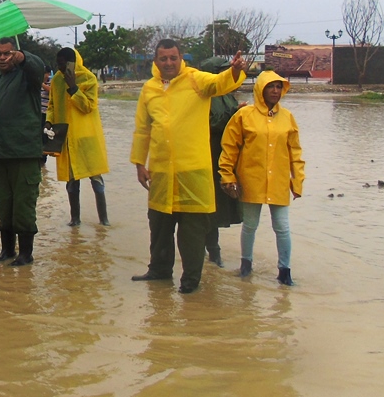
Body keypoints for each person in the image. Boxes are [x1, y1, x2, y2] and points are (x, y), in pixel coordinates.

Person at [130, 40, 246, 293]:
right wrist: (140, 163)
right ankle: (159, 271)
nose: (169, 63)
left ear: (181, 58)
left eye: (173, 58)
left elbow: (221, 83)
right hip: (160, 170)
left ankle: (190, 282)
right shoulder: (149, 89)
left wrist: (235, 70)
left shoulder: (196, 80)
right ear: (156, 60)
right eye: (163, 58)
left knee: (192, 231)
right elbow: (142, 129)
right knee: (159, 224)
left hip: (193, 171)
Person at [218, 71, 305, 286]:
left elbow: (295, 152)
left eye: (278, 87)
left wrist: (298, 181)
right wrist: (227, 175)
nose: (275, 91)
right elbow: (229, 147)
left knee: (282, 227)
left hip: (278, 181)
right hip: (251, 179)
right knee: (250, 225)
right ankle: (246, 266)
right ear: (261, 89)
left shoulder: (288, 118)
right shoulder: (244, 116)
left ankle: (284, 271)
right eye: (270, 87)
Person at [0, 37, 45, 266]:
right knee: (3, 204)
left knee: (23, 205)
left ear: (15, 53)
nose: (3, 58)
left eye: (7, 53)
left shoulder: (27, 76)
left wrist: (25, 58)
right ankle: (7, 249)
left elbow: (38, 67)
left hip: (23, 152)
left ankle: (26, 253)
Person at [46, 48, 110, 227]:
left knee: (96, 179)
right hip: (66, 138)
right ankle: (75, 219)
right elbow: (52, 105)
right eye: (57, 64)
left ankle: (103, 220)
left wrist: (73, 88)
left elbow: (88, 106)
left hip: (87, 137)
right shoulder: (57, 80)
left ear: (72, 63)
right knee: (72, 181)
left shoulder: (89, 78)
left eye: (63, 64)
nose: (59, 68)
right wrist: (49, 122)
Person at [201, 56, 244, 266]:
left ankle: (213, 253)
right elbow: (209, 123)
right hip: (207, 156)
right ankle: (207, 252)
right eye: (224, 70)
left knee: (217, 207)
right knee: (207, 207)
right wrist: (233, 113)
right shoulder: (204, 94)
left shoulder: (227, 93)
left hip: (224, 158)